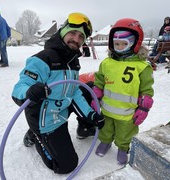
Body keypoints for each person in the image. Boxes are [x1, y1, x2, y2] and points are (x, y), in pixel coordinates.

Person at [11, 12, 105, 174]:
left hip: (60, 111)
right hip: (44, 119)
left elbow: (74, 93)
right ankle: (36, 134)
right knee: (66, 165)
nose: (76, 39)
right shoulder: (42, 59)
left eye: (81, 37)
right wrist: (29, 92)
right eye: (72, 33)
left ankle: (84, 127)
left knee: (87, 87)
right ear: (63, 31)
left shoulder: (73, 63)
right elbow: (19, 88)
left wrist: (91, 115)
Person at [91, 18, 154, 165]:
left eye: (124, 43)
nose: (119, 47)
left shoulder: (142, 67)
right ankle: (105, 142)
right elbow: (100, 80)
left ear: (135, 43)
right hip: (107, 108)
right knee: (106, 128)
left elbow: (146, 90)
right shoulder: (107, 63)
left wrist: (144, 107)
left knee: (125, 133)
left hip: (127, 112)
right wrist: (96, 94)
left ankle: (122, 148)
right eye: (116, 43)